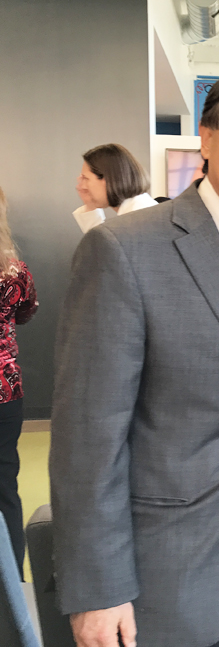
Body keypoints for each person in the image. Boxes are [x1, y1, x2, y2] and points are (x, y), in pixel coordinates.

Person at [50, 63, 219, 647]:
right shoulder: (123, 249)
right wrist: (98, 589)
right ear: (207, 136)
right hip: (161, 569)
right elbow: (87, 436)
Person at [0, 187, 37, 580]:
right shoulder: (14, 271)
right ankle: (11, 583)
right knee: (5, 484)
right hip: (5, 390)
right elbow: (28, 311)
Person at [73, 143, 158, 233]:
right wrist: (90, 205)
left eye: (86, 178)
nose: (83, 186)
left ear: (108, 179)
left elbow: (106, 244)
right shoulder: (139, 213)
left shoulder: (137, 222)